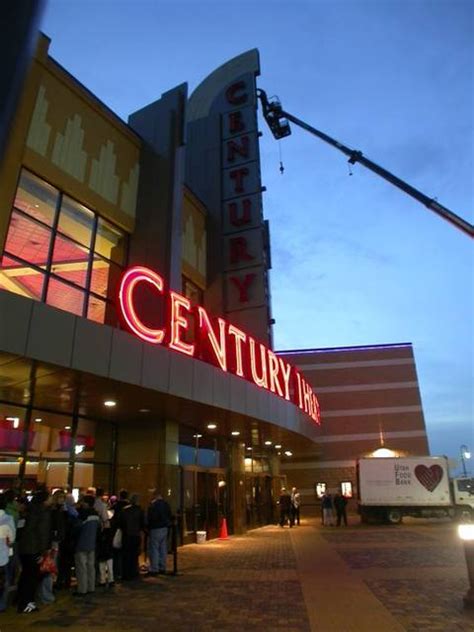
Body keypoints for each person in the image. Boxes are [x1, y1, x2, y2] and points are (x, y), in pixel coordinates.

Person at [16, 489, 52, 613]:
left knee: (25, 575)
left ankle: (22, 600)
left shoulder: (29, 510)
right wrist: (43, 552)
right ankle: (27, 603)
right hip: (34, 548)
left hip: (24, 547)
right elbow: (42, 533)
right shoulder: (43, 512)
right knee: (32, 577)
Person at [73, 494, 100, 596]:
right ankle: (91, 586)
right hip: (92, 543)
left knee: (81, 567)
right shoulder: (96, 515)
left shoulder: (83, 514)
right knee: (90, 566)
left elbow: (76, 528)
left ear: (86, 503)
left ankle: (82, 589)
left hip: (81, 543)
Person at [146, 492, 172, 576]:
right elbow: (169, 515)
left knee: (154, 548)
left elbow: (150, 517)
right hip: (164, 528)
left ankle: (154, 568)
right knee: (163, 548)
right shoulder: (166, 504)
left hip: (155, 528)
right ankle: (162, 567)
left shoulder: (153, 505)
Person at [119, 494, 144, 580]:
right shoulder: (140, 510)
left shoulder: (125, 510)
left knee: (126, 555)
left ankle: (126, 573)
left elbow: (121, 523)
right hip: (136, 534)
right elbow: (142, 523)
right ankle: (134, 572)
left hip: (127, 535)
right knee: (134, 555)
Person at [0, 494, 15, 612]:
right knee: (4, 582)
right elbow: (12, 539)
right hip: (2, 556)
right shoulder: (8, 519)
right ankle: (2, 605)